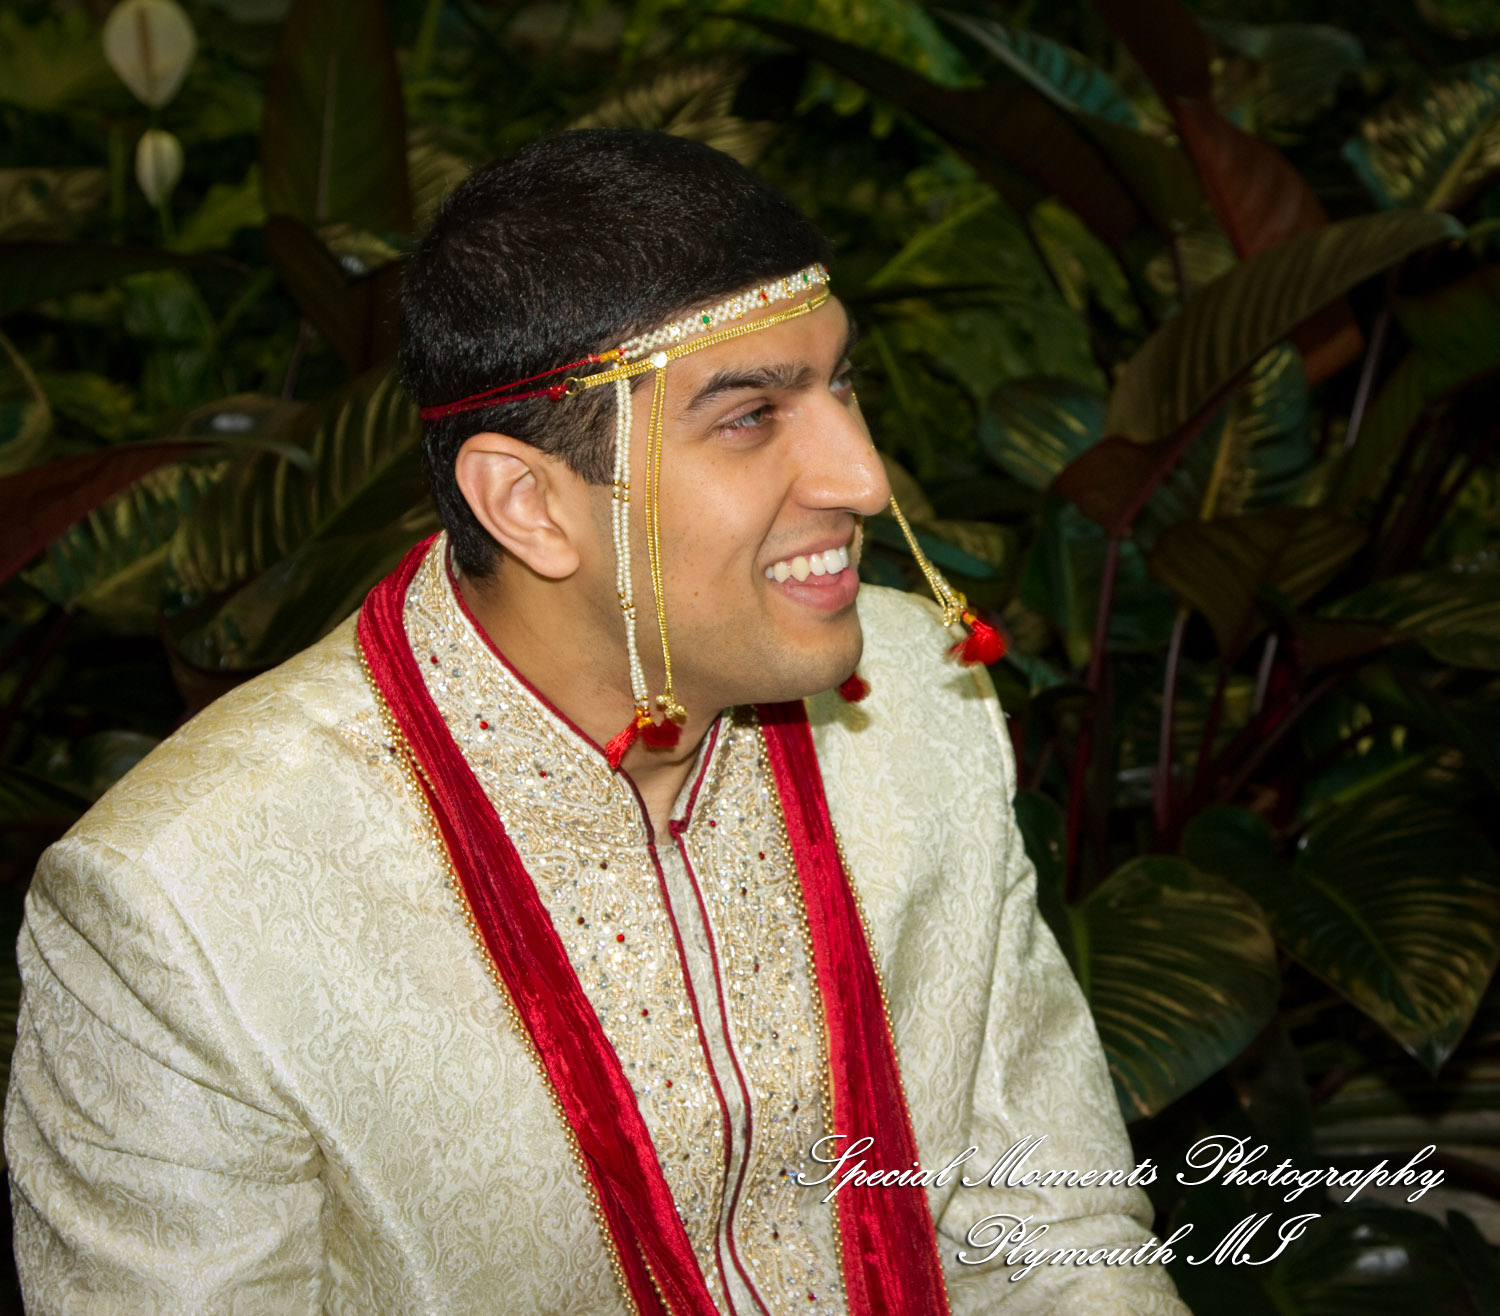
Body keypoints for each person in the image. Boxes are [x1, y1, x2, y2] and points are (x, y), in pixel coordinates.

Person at [5, 129, 1188, 1313]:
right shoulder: (179, 904)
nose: (863, 476)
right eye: (749, 416)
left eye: (840, 384)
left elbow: (1054, 1228)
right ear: (528, 503)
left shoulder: (926, 696)